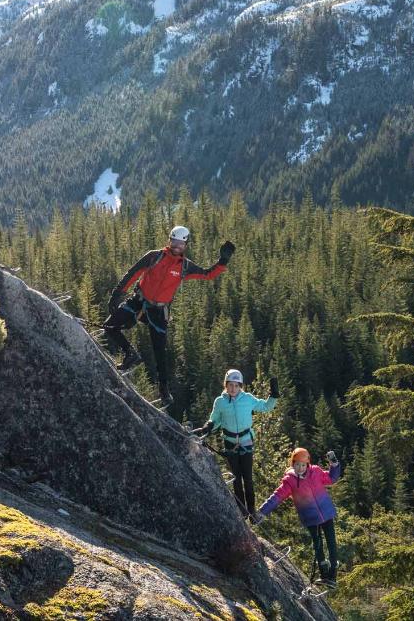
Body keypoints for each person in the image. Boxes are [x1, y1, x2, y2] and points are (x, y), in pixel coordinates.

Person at [104, 225, 234, 402]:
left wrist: (222, 262)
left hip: (159, 312)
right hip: (138, 302)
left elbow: (207, 274)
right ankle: (130, 353)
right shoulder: (154, 256)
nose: (177, 246)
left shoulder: (184, 267)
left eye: (181, 243)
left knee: (160, 353)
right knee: (110, 326)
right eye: (174, 241)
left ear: (185, 245)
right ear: (169, 240)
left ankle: (164, 390)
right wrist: (117, 294)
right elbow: (133, 274)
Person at [192, 369, 276, 516]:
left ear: (240, 386)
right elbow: (216, 419)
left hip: (245, 443)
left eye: (236, 385)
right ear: (226, 385)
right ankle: (242, 513)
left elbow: (265, 407)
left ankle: (251, 511)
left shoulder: (248, 399)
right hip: (230, 444)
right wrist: (209, 425)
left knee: (248, 479)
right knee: (236, 479)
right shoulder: (220, 402)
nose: (233, 388)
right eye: (230, 385)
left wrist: (274, 395)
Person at [254, 447, 343, 586]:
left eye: (303, 465)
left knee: (331, 543)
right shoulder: (290, 481)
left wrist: (334, 464)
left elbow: (331, 478)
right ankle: (324, 574)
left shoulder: (316, 472)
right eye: (297, 465)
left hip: (326, 513)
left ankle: (332, 576)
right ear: (292, 464)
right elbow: (277, 496)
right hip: (311, 518)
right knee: (318, 544)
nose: (300, 468)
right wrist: (262, 511)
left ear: (307, 464)